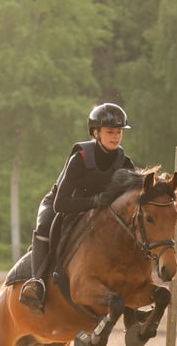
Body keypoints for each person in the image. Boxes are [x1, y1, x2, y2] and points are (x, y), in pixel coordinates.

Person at [19, 102, 136, 315]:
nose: (116, 137)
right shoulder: (80, 157)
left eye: (119, 132)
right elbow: (60, 203)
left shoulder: (123, 161)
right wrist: (94, 201)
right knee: (45, 225)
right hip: (61, 204)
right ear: (95, 132)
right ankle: (37, 283)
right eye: (110, 132)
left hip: (96, 210)